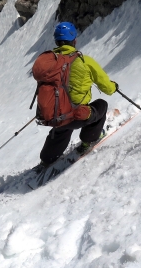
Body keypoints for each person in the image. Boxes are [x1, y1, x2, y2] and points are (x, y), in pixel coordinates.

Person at [38, 22, 118, 165]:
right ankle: (89, 140)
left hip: (54, 116)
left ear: (56, 41)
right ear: (74, 40)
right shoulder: (84, 61)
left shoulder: (49, 64)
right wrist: (114, 86)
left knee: (62, 127)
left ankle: (47, 158)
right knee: (101, 105)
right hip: (78, 115)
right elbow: (108, 89)